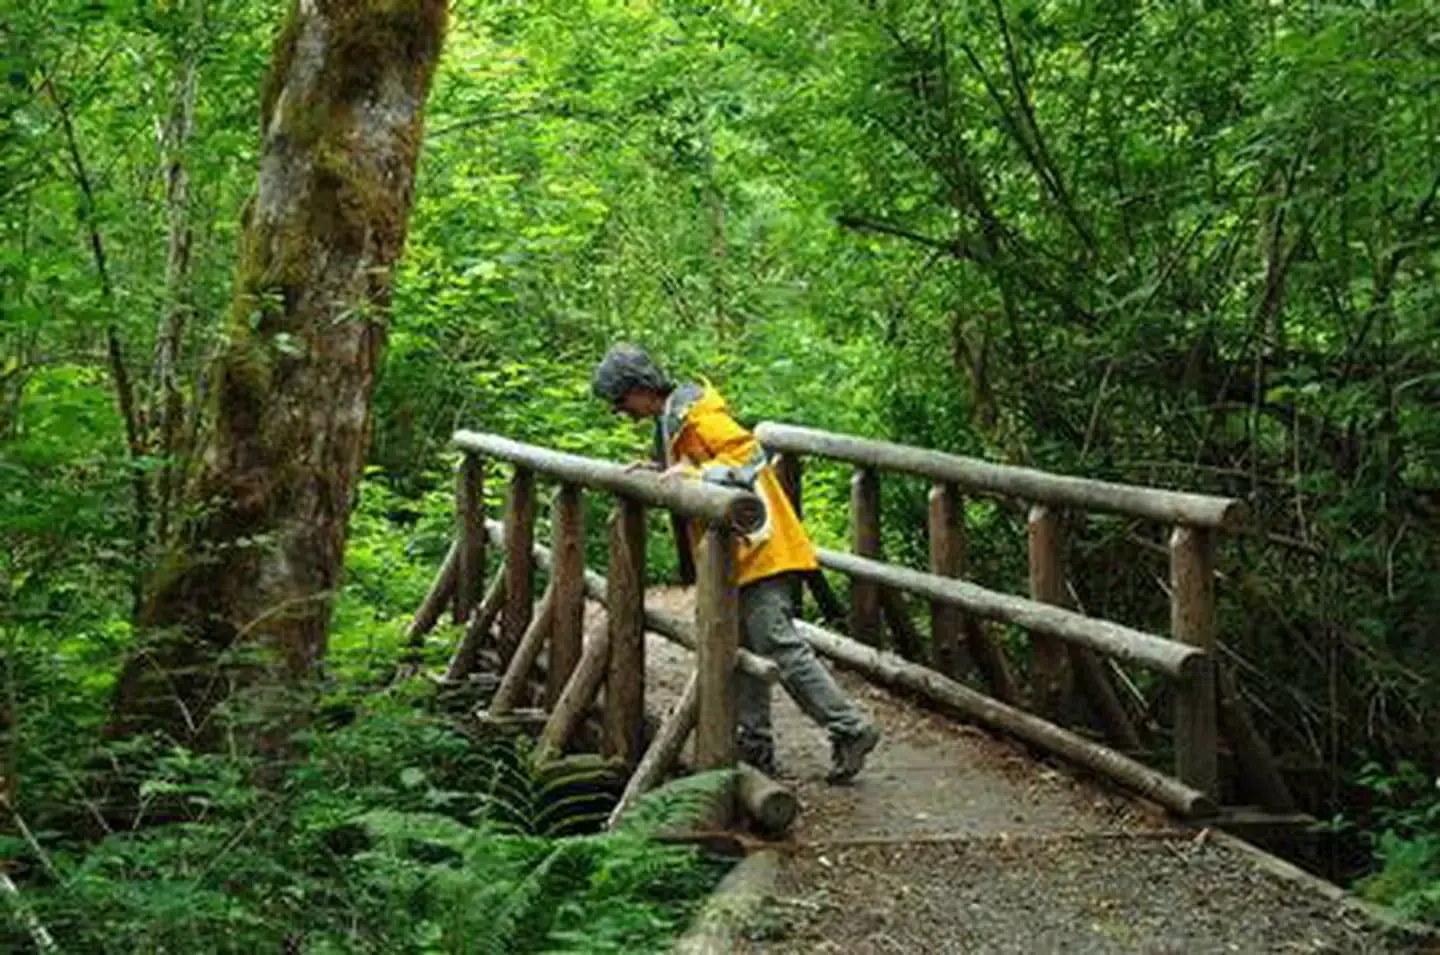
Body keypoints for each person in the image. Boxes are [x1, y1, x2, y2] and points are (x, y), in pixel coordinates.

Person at [591, 343, 881, 783]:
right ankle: (754, 744)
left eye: (620, 399)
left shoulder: (698, 414)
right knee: (740, 648)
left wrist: (695, 475)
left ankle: (850, 728)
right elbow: (696, 465)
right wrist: (657, 472)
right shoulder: (672, 420)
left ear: (639, 387)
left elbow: (748, 456)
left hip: (762, 551)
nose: (620, 411)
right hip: (737, 556)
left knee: (778, 644)